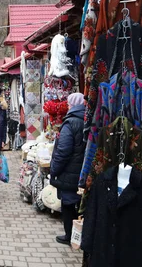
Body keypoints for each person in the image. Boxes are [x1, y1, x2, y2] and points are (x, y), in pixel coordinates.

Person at [50, 93, 86, 245]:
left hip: (70, 172)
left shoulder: (70, 123)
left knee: (69, 204)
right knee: (81, 204)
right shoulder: (88, 119)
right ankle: (81, 235)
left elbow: (63, 151)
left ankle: (71, 236)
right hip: (83, 170)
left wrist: (54, 169)